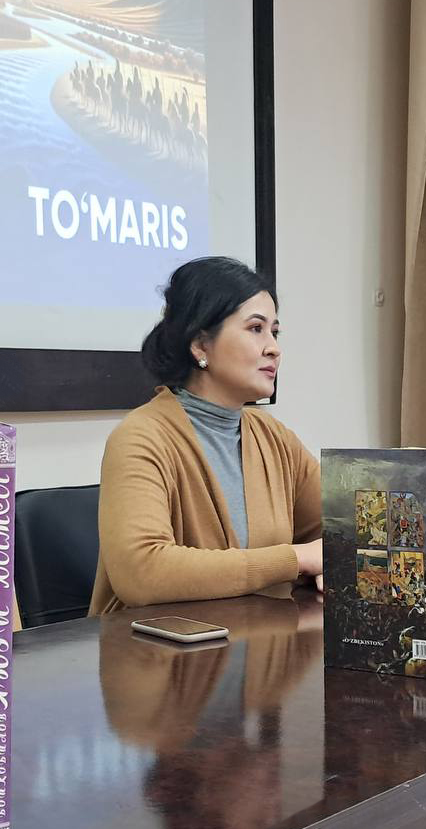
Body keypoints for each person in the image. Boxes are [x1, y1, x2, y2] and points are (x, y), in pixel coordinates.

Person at [90, 256, 322, 614]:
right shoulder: (140, 437)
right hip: (153, 646)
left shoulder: (276, 438)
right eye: (255, 328)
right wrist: (296, 559)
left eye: (274, 332)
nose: (274, 348)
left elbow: (342, 530)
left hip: (260, 641)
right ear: (200, 345)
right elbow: (142, 572)